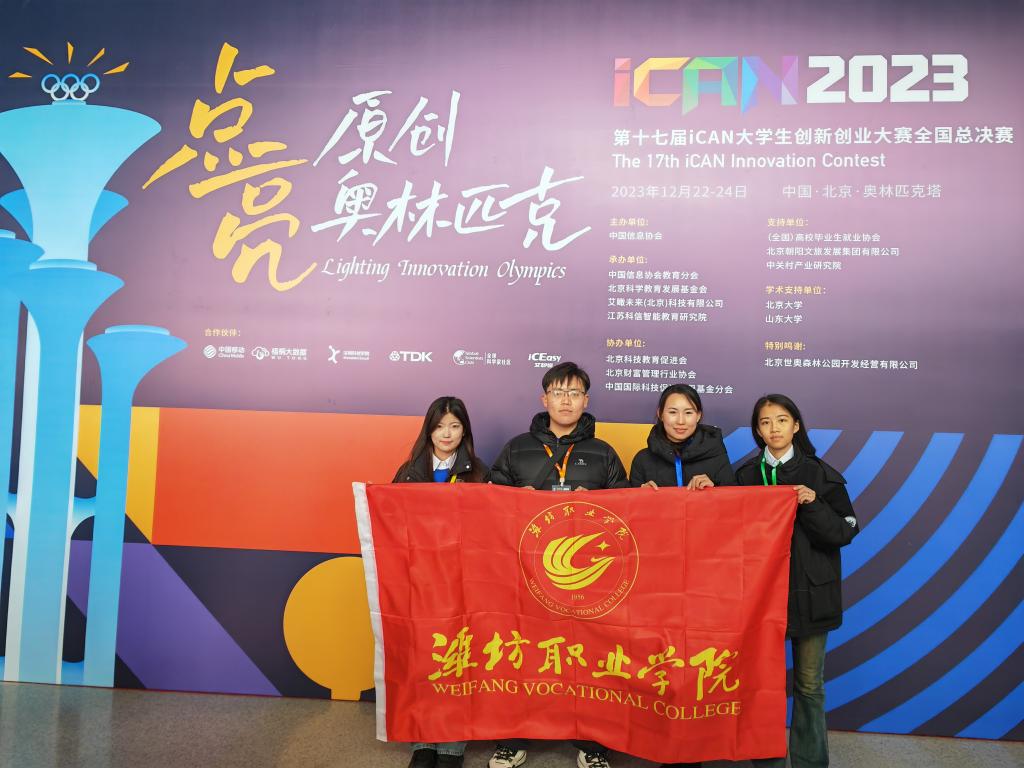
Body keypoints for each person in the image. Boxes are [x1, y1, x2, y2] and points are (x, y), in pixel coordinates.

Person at [489, 361, 627, 768]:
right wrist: (515, 500)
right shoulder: (517, 448)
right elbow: (488, 505)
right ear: (544, 398)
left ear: (586, 401)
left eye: (574, 393)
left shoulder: (604, 453)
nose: (566, 401)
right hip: (524, 574)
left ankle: (593, 745)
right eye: (558, 392)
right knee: (521, 655)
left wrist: (596, 503)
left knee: (589, 659)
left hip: (586, 579)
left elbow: (626, 514)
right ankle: (512, 738)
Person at [735, 394, 859, 768]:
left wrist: (813, 503)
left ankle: (810, 762)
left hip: (812, 596)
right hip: (760, 600)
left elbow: (843, 532)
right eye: (765, 422)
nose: (774, 428)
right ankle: (767, 761)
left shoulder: (821, 475)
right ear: (757, 431)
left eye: (781, 420)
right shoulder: (744, 477)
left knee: (809, 686)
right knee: (762, 688)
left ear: (796, 425)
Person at [393, 396, 489, 768]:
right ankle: (423, 742)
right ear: (428, 430)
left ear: (464, 430)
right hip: (418, 582)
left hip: (460, 582)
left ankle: (451, 746)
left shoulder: (478, 473)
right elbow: (391, 523)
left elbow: (489, 529)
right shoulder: (408, 472)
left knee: (457, 660)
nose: (446, 434)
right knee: (422, 660)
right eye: (439, 426)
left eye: (454, 426)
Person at [629, 383, 736, 491]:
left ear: (698, 415)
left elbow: (733, 498)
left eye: (688, 413)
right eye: (673, 412)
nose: (681, 421)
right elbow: (629, 501)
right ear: (660, 414)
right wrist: (641, 495)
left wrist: (714, 490)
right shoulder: (642, 460)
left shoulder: (716, 455)